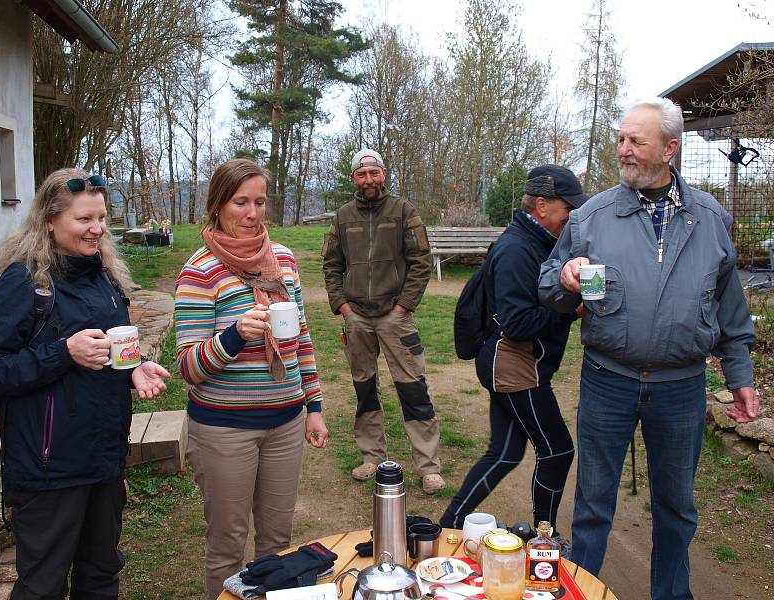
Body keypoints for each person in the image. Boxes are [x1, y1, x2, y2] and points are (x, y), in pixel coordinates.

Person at [539, 97, 759, 600]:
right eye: (620, 140)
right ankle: (581, 592)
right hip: (607, 380)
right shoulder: (593, 215)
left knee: (677, 508)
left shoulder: (709, 218)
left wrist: (740, 378)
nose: (624, 150)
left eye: (636, 141)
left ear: (670, 149)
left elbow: (731, 312)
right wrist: (566, 278)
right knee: (593, 504)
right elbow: (547, 283)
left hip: (681, 388)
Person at [0, 168, 170, 599]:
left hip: (103, 456)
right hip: (48, 468)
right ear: (49, 220)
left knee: (100, 575)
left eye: (101, 218)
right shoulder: (24, 282)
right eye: (84, 220)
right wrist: (63, 352)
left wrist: (134, 369)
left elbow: (111, 352)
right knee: (42, 585)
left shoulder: (104, 276)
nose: (97, 229)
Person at [174, 158, 328, 600]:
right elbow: (187, 366)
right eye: (240, 202)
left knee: (278, 544)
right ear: (218, 205)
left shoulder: (283, 259)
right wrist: (234, 336)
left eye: (260, 202)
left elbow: (301, 341)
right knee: (227, 546)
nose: (252, 213)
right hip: (224, 429)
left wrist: (313, 407)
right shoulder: (199, 271)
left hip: (285, 423)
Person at [439, 165, 586, 545]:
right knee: (557, 452)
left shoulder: (536, 242)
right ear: (542, 205)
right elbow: (519, 323)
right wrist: (570, 308)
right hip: (514, 363)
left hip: (509, 360)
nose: (572, 216)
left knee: (504, 452)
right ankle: (545, 541)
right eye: (568, 208)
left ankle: (449, 524)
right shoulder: (518, 248)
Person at [322, 148, 445, 494]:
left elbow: (421, 260)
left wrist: (404, 306)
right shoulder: (344, 217)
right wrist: (342, 306)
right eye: (362, 175)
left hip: (395, 317)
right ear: (353, 179)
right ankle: (371, 457)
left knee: (413, 389)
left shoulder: (403, 211)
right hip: (356, 317)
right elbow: (331, 264)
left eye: (374, 173)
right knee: (364, 389)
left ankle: (428, 466)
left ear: (384, 173)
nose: (369, 180)